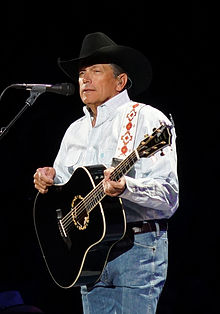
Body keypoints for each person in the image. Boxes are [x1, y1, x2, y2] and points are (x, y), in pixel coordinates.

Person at [33, 32, 179, 314]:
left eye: (95, 71)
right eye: (81, 73)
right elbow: (65, 193)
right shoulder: (75, 130)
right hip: (89, 252)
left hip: (137, 249)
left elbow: (169, 197)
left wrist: (126, 187)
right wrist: (48, 182)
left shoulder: (147, 119)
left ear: (120, 81)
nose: (84, 79)